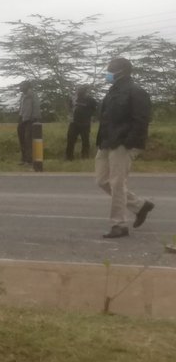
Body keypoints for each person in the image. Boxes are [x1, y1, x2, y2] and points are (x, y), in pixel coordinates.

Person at [94, 57, 154, 239]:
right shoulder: (113, 91)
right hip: (106, 142)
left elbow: (142, 120)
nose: (108, 71)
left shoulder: (136, 92)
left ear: (122, 70)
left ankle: (118, 224)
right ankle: (139, 205)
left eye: (111, 68)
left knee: (117, 183)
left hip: (122, 143)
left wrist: (128, 142)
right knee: (101, 181)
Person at [66, 85, 98, 161]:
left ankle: (85, 156)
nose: (78, 92)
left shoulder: (90, 100)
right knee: (71, 139)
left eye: (80, 90)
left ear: (85, 92)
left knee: (85, 140)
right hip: (74, 122)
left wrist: (90, 115)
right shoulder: (74, 98)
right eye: (78, 90)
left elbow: (95, 109)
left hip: (85, 123)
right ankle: (69, 157)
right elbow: (69, 107)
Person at [17, 81, 41, 166]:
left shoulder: (33, 95)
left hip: (30, 120)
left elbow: (36, 107)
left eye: (22, 85)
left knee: (28, 141)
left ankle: (29, 160)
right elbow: (21, 108)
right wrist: (20, 117)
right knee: (22, 140)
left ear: (27, 86)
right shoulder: (23, 95)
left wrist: (34, 119)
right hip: (22, 119)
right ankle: (24, 159)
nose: (20, 87)